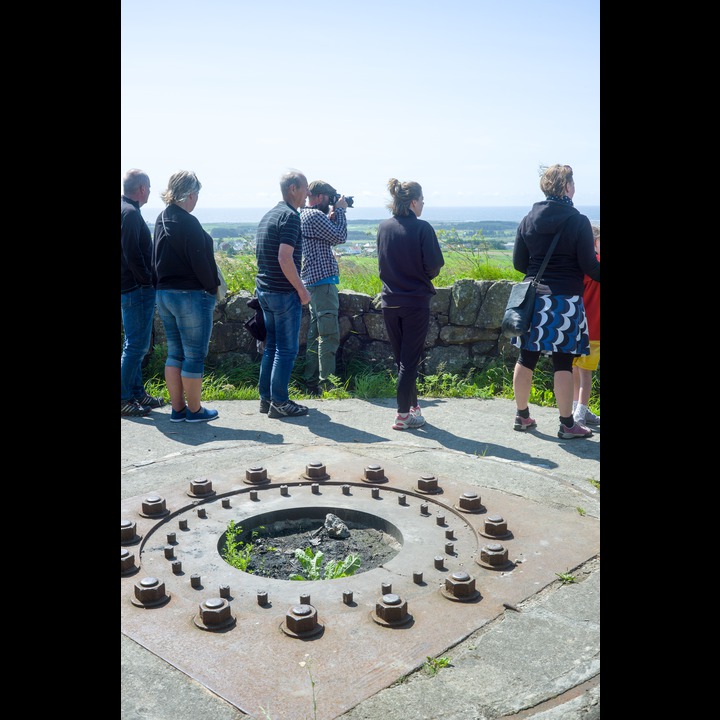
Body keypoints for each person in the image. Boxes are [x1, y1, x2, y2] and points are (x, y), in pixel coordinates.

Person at [510, 164, 600, 439]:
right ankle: (567, 424)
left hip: (533, 299)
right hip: (564, 301)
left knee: (526, 358)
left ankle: (522, 416)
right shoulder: (578, 220)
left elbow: (519, 263)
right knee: (563, 363)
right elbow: (590, 267)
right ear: (567, 187)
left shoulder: (528, 219)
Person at [376, 178, 445, 431]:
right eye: (423, 200)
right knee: (410, 360)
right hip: (415, 301)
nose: (423, 204)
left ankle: (413, 407)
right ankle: (403, 414)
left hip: (390, 302)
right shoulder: (423, 228)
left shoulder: (384, 227)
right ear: (414, 202)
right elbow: (434, 266)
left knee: (403, 360)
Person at [153, 170, 220, 423]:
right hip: (190, 295)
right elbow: (200, 261)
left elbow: (155, 258)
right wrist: (212, 288)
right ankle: (194, 411)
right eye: (197, 194)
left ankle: (177, 409)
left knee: (175, 353)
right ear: (190, 194)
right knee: (193, 355)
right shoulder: (188, 221)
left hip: (164, 293)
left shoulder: (162, 218)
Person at [255, 170, 311, 418]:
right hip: (283, 293)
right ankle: (279, 401)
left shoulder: (269, 215)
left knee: (272, 347)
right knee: (287, 350)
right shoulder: (291, 217)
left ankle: (266, 399)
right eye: (305, 188)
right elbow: (285, 257)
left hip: (265, 290)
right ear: (293, 189)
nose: (308, 193)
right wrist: (301, 290)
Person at [121, 169, 165, 417]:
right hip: (136, 289)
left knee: (134, 343)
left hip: (129, 288)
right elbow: (132, 254)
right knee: (136, 346)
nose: (149, 191)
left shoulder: (125, 210)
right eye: (148, 187)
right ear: (141, 189)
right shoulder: (130, 214)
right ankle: (123, 397)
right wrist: (147, 281)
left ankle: (136, 392)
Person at [300, 180, 348, 396]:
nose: (330, 204)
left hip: (311, 280)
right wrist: (341, 212)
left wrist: (333, 215)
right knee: (329, 335)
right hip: (322, 282)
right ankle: (327, 385)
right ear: (319, 197)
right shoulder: (315, 215)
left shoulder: (305, 215)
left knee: (314, 334)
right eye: (329, 200)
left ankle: (310, 381)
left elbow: (327, 238)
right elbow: (340, 236)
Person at [572, 224, 600, 426]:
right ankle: (580, 414)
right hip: (595, 329)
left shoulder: (577, 265)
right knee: (586, 375)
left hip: (576, 326)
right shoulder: (596, 264)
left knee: (575, 370)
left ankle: (576, 408)